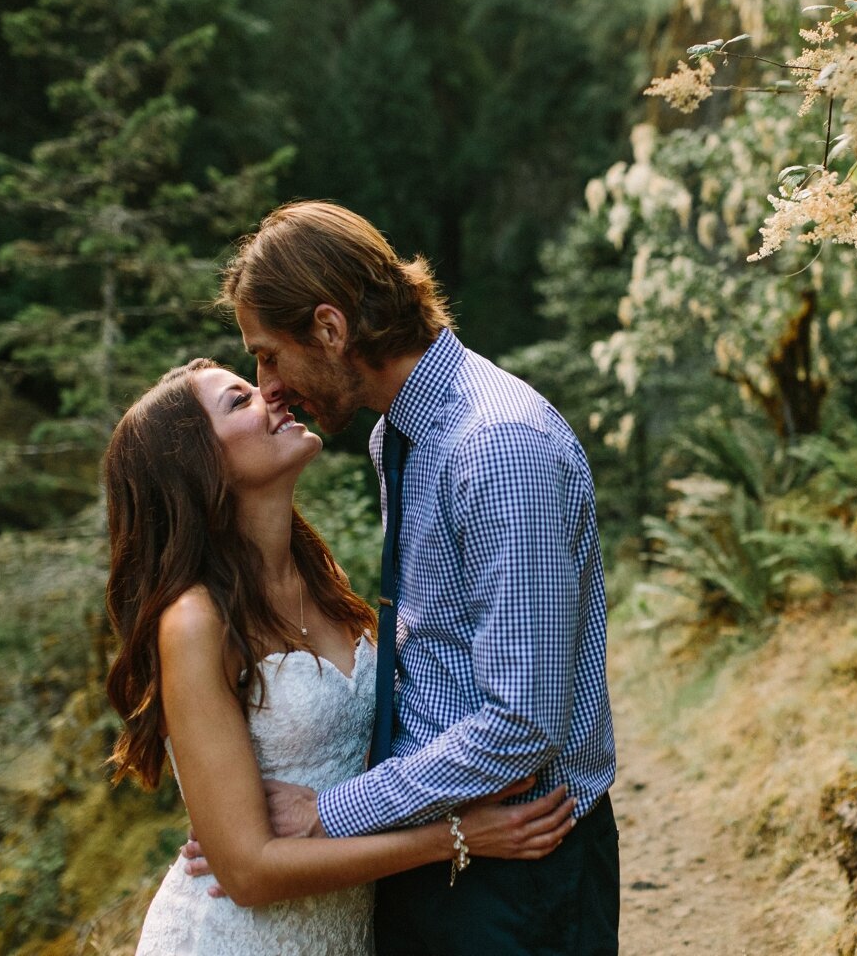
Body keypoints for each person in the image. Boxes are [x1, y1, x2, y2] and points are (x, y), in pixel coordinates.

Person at [192, 200, 619, 954]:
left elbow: (522, 723)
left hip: (521, 869)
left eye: (268, 354)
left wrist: (329, 813)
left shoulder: (497, 450)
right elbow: (430, 663)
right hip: (441, 844)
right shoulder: (402, 435)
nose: (270, 387)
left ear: (330, 328)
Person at [102, 358, 578, 956]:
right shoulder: (197, 621)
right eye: (239, 401)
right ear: (197, 466)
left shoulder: (317, 578)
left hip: (343, 933)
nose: (273, 394)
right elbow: (247, 874)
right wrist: (454, 836)